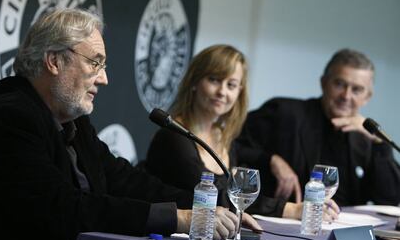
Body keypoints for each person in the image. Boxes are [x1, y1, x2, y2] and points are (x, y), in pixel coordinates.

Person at [0, 9, 249, 240]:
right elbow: (62, 206)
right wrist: (180, 219)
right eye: (94, 63)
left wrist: (204, 206)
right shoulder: (8, 116)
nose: (104, 79)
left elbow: (123, 179)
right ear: (54, 61)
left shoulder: (72, 121)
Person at [144, 45, 339, 220]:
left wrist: (273, 161)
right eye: (214, 80)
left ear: (239, 92)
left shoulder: (223, 135)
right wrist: (292, 210)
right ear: (194, 82)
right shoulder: (174, 136)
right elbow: (214, 198)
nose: (222, 92)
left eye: (231, 85)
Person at [237, 48, 400, 206]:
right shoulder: (284, 113)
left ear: (367, 97)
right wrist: (271, 160)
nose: (346, 96)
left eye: (357, 90)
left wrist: (379, 144)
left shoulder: (366, 137)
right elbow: (231, 143)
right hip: (290, 223)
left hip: (345, 228)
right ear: (323, 83)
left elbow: (390, 198)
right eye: (339, 84)